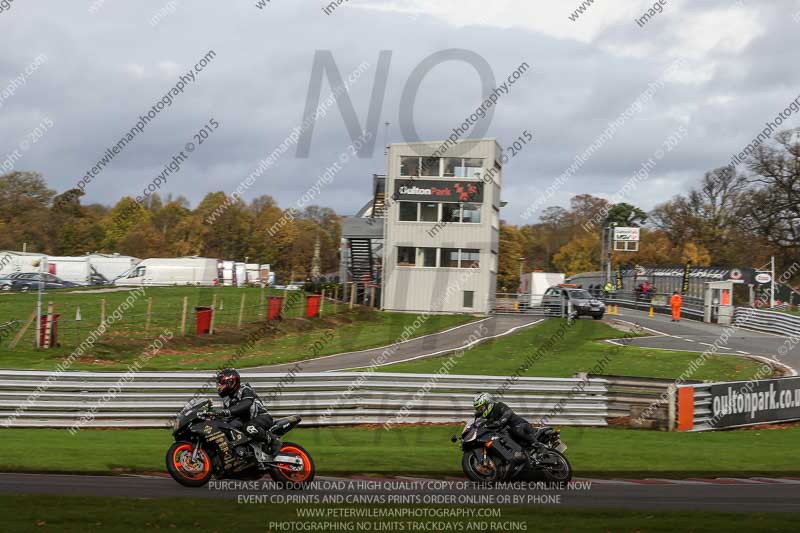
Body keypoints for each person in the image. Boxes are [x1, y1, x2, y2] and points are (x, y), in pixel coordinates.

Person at [210, 368, 276, 468]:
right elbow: (229, 417)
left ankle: (273, 441)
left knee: (249, 427)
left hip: (261, 417)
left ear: (230, 382)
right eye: (219, 384)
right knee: (226, 429)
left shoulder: (245, 389)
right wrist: (215, 417)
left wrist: (227, 411)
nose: (219, 386)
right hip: (244, 421)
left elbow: (246, 403)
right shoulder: (227, 399)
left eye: (222, 383)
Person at [473, 393, 538, 450]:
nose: (481, 410)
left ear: (488, 403)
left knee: (516, 430)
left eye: (482, 408)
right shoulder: (487, 417)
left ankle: (537, 444)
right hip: (508, 433)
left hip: (520, 425)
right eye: (478, 409)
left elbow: (508, 412)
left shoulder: (499, 406)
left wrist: (500, 421)